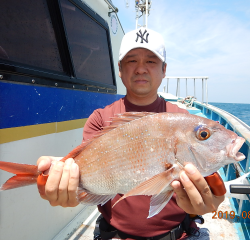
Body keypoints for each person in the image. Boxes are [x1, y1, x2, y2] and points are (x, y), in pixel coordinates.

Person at [37, 27, 225, 239]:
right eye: (132, 60)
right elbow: (88, 176)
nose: (141, 69)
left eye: (151, 61)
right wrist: (65, 185)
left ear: (164, 70)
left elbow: (205, 188)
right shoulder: (100, 119)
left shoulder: (182, 119)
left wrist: (209, 203)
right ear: (120, 68)